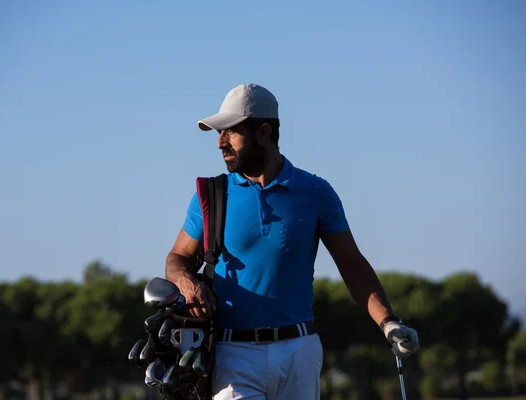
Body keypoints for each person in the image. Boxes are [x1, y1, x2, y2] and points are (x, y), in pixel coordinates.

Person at [164, 83, 420, 400]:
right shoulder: (211, 195)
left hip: (300, 351)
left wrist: (389, 323)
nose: (220, 143)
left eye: (230, 132)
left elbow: (352, 265)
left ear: (264, 132)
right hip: (233, 354)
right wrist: (184, 280)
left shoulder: (316, 192)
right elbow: (177, 258)